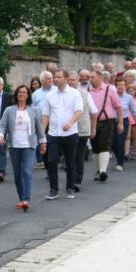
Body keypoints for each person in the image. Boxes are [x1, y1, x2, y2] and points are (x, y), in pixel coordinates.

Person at [0, 85, 46, 210]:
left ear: (28, 95)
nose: (21, 94)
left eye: (24, 92)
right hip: (14, 146)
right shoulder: (9, 110)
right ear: (16, 94)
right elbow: (2, 125)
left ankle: (26, 199)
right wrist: (0, 135)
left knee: (27, 172)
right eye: (19, 92)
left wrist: (43, 142)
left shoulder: (33, 110)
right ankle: (21, 197)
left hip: (29, 146)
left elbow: (39, 128)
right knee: (18, 174)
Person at [41, 69, 84, 199]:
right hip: (53, 134)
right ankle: (53, 189)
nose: (56, 79)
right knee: (52, 160)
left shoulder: (74, 94)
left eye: (59, 77)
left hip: (70, 133)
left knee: (70, 162)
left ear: (66, 78)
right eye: (55, 77)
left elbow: (79, 111)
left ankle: (70, 188)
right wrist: (42, 133)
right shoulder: (50, 95)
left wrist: (70, 122)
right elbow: (45, 115)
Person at [88, 68, 124, 182]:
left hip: (107, 121)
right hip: (92, 121)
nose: (90, 79)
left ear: (99, 78)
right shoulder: (87, 90)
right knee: (95, 147)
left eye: (92, 77)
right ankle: (99, 170)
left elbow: (118, 107)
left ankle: (103, 171)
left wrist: (121, 123)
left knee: (104, 145)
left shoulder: (110, 89)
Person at [68, 71, 98, 192]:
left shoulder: (85, 94)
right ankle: (71, 179)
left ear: (78, 81)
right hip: (68, 130)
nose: (70, 82)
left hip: (82, 129)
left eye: (73, 80)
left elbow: (94, 112)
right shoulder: (62, 94)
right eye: (69, 80)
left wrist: (93, 128)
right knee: (70, 156)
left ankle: (77, 180)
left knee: (79, 156)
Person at [112, 79, 136, 171]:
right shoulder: (112, 96)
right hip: (113, 121)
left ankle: (120, 163)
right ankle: (120, 155)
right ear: (116, 86)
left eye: (123, 84)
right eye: (119, 85)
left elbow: (133, 110)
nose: (121, 86)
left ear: (125, 86)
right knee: (112, 142)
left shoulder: (129, 97)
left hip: (124, 120)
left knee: (121, 141)